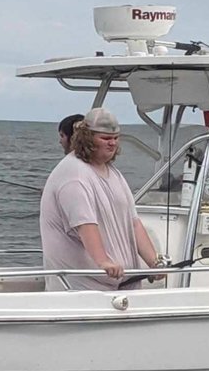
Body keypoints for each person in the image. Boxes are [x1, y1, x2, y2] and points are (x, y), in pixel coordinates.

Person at [40, 107, 162, 290]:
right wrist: (103, 261)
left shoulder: (114, 173)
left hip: (124, 287)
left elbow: (133, 223)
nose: (112, 143)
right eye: (105, 138)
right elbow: (84, 223)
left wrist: (154, 262)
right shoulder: (74, 174)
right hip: (84, 290)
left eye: (115, 138)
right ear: (87, 138)